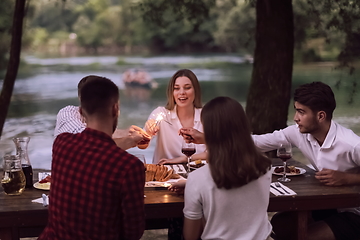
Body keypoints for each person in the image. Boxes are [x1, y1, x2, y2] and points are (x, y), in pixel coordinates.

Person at [181, 82, 360, 240]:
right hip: (323, 206)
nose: (296, 117)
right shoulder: (297, 133)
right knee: (280, 224)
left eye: (301, 112)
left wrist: (348, 178)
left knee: (301, 235)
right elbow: (258, 142)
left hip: (353, 214)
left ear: (321, 116)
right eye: (296, 110)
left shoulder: (351, 144)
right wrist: (208, 137)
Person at [38, 76, 145, 240]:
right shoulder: (129, 167)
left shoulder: (61, 144)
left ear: (81, 111)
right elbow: (133, 233)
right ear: (115, 109)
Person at [182, 96, 272, 240]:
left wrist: (192, 189)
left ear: (209, 132)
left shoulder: (198, 179)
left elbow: (190, 236)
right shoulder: (265, 167)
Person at [54, 75, 150, 150]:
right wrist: (130, 140)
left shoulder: (98, 127)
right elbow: (88, 143)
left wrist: (127, 133)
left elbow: (99, 136)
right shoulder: (67, 113)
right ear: (115, 108)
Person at [139, 69, 207, 164]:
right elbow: (142, 146)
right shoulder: (160, 113)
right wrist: (148, 134)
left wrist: (184, 159)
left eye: (187, 88)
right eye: (176, 88)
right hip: (165, 175)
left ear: (196, 90)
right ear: (172, 92)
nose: (182, 92)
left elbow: (217, 151)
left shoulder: (206, 116)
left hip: (198, 172)